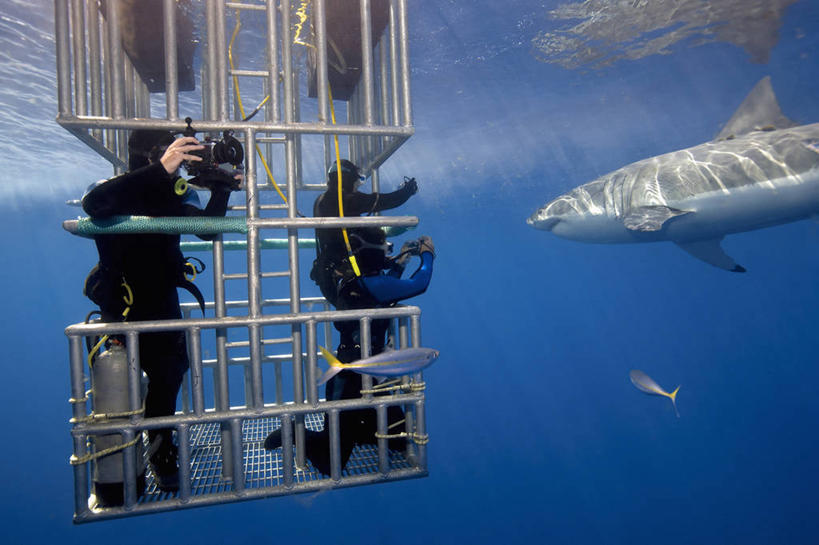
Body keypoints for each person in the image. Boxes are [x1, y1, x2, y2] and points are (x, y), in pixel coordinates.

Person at [82, 129, 240, 501]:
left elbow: (206, 231)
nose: (180, 161)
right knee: (122, 383)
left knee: (169, 376)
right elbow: (95, 204)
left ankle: (160, 446)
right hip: (123, 307)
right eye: (171, 151)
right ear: (150, 154)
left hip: (163, 304)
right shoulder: (116, 188)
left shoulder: (172, 194)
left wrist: (223, 187)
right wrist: (160, 170)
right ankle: (122, 459)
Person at [264, 159, 435, 475]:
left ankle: (355, 431)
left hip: (369, 369)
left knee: (398, 440)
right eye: (384, 248)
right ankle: (295, 434)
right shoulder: (370, 279)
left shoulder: (360, 281)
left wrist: (400, 263)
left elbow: (384, 290)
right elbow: (418, 285)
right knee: (331, 464)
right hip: (352, 375)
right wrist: (428, 255)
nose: (388, 251)